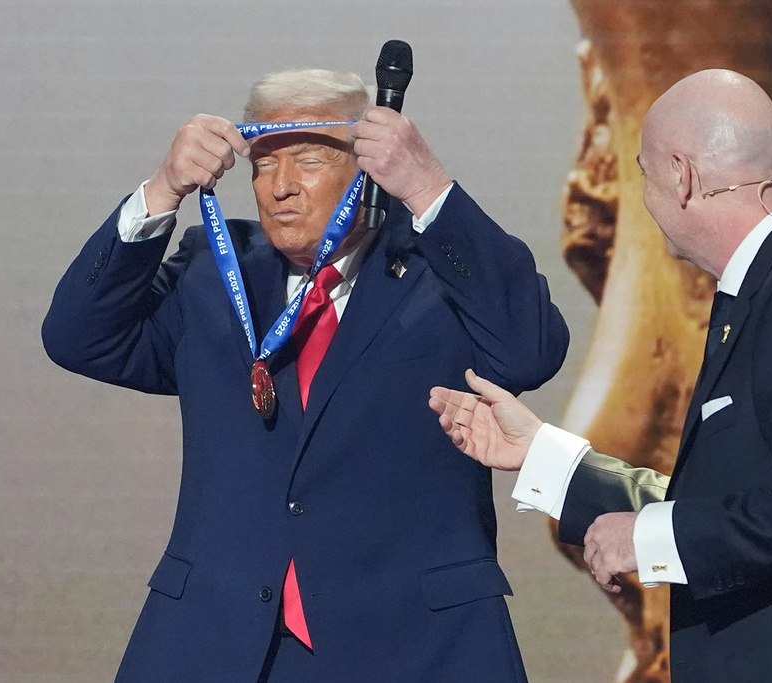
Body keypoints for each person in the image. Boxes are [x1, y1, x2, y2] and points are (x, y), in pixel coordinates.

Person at [42, 68, 568, 682]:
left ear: (369, 165)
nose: (281, 187)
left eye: (310, 160)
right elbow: (79, 337)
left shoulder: (439, 271)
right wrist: (161, 191)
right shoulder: (215, 271)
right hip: (218, 646)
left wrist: (426, 186)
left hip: (413, 646)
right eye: (264, 165)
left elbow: (530, 351)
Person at [429, 69, 772, 682]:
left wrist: (652, 540)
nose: (643, 197)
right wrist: (540, 454)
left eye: (644, 173)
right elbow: (731, 505)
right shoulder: (770, 291)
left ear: (684, 176)